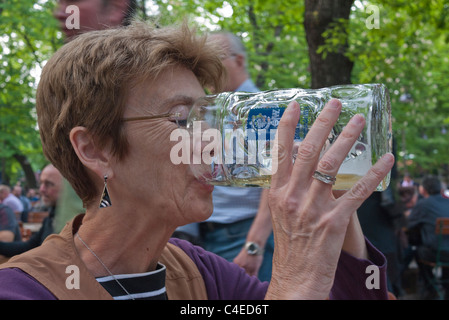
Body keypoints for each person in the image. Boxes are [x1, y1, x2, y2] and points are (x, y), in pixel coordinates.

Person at [0, 21, 394, 300]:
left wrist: (334, 193)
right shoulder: (24, 290)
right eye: (183, 119)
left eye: (208, 119)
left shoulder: (199, 273)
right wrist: (290, 285)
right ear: (95, 149)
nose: (212, 143)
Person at [51, 0, 138, 233]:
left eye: (71, 2)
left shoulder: (147, 83)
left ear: (115, 8)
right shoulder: (77, 83)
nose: (60, 13)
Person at [202, 31, 274, 282]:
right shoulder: (211, 109)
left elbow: (275, 179)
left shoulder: (262, 108)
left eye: (212, 61)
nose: (205, 70)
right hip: (205, 237)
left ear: (240, 61)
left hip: (243, 236)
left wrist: (254, 245)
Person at [0, 164, 63, 258]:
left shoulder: (75, 222)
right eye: (40, 183)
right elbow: (29, 246)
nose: (41, 189)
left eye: (49, 184)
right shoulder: (51, 219)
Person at [407, 175, 449, 299]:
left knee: (416, 251)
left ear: (423, 189)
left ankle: (430, 286)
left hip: (436, 253)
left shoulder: (423, 204)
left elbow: (410, 224)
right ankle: (445, 284)